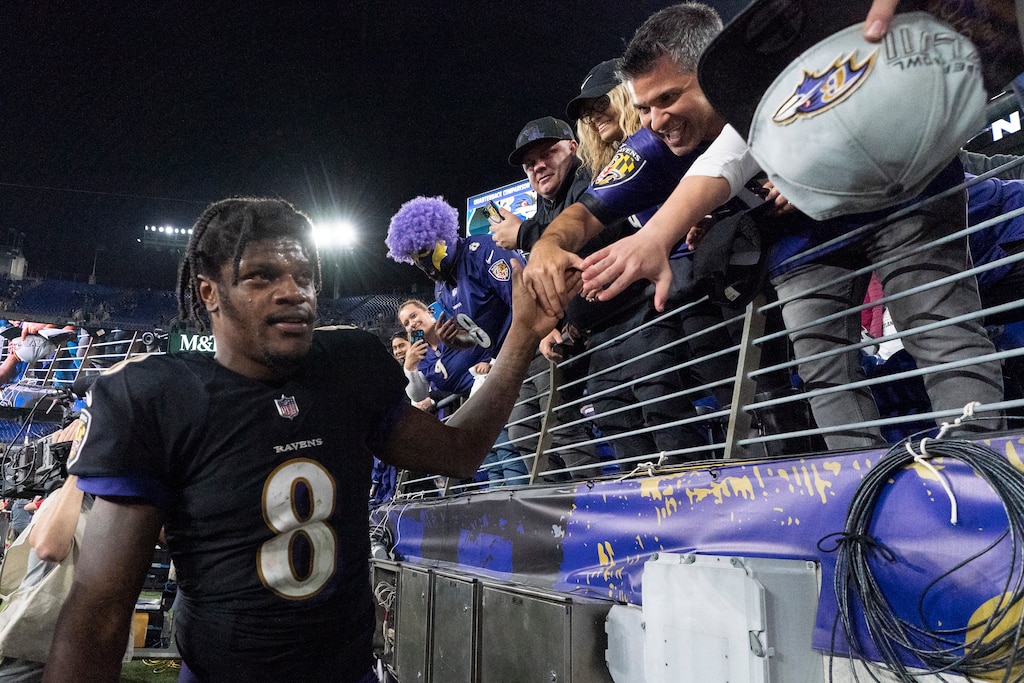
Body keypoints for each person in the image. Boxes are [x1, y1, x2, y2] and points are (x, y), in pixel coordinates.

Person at [45, 196, 553, 682]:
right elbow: (99, 612)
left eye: (304, 277)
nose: (294, 292)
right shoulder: (157, 396)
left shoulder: (349, 367)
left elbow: (460, 452)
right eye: (261, 276)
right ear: (209, 292)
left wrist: (524, 330)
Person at [536, 3, 1004, 449]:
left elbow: (734, 153)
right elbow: (589, 211)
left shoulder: (779, 69)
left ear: (714, 75)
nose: (655, 121)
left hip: (902, 194)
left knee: (941, 330)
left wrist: (659, 234)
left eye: (668, 98)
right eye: (642, 107)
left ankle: (983, 479)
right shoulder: (653, 144)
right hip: (805, 242)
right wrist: (547, 245)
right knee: (822, 368)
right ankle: (866, 494)